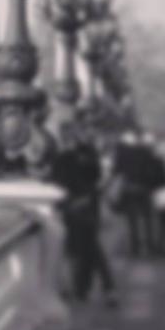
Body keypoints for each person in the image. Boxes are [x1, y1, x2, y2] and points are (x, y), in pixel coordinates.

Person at [52, 122, 117, 306]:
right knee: (86, 248)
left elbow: (60, 181)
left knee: (87, 248)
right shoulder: (77, 154)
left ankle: (103, 288)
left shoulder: (75, 155)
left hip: (78, 207)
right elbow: (94, 177)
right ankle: (86, 288)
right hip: (80, 206)